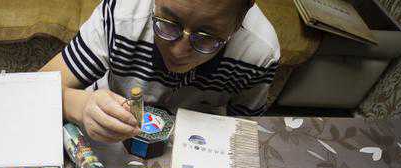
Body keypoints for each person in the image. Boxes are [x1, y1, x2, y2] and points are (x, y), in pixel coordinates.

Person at [41, 0, 280, 142]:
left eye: (206, 38)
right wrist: (81, 106)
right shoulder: (121, 13)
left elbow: (246, 134)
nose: (178, 51)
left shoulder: (260, 53)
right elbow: (35, 88)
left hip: (195, 142)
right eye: (167, 23)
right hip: (107, 132)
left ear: (240, 19)